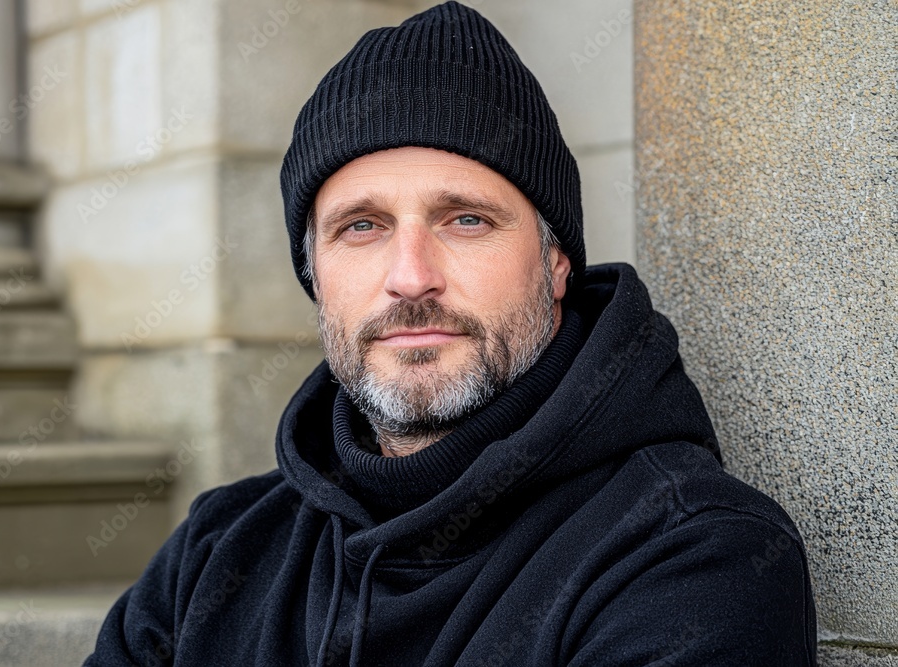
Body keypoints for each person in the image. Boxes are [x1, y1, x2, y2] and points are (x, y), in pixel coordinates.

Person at [85, 2, 817, 664]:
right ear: (315, 275)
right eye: (361, 226)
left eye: (466, 219)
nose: (411, 277)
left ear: (555, 263)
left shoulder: (692, 556)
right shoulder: (215, 553)